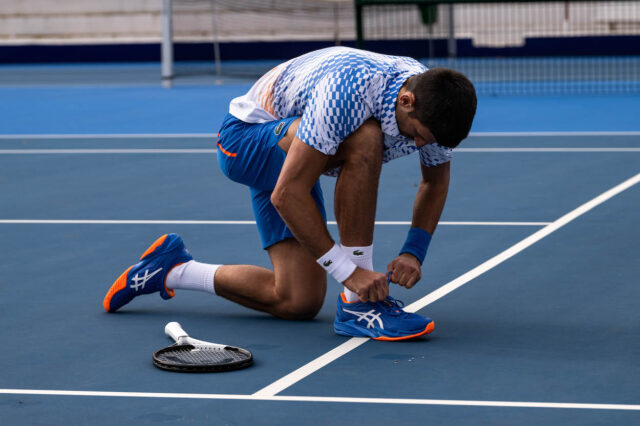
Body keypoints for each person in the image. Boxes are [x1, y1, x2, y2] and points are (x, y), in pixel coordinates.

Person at [103, 46, 477, 341]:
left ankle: (172, 270)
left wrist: (414, 251)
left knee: (298, 301)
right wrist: (351, 275)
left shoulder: (433, 102)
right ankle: (360, 306)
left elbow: (434, 180)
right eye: (417, 135)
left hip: (299, 150)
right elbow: (287, 194)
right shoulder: (349, 92)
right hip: (244, 142)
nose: (417, 144)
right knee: (367, 139)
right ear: (406, 101)